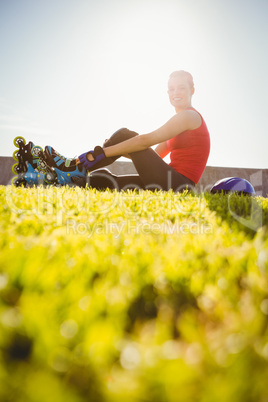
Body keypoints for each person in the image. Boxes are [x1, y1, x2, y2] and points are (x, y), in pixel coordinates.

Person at [43, 70, 210, 191]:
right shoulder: (179, 122)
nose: (175, 93)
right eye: (171, 89)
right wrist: (106, 152)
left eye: (181, 88)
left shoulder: (189, 116)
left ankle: (70, 167)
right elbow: (151, 156)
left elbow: (143, 142)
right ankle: (66, 178)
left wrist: (102, 153)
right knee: (104, 179)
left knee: (125, 135)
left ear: (192, 91)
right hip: (169, 181)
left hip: (179, 185)